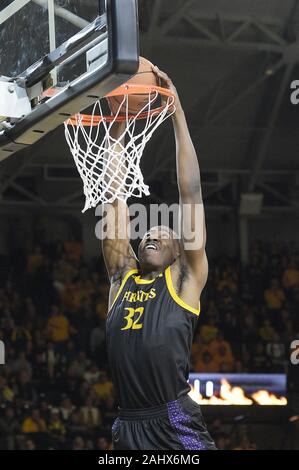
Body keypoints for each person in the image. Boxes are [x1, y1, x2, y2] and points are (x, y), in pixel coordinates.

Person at [103, 66, 216, 450]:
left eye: (163, 235)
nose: (151, 234)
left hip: (172, 419)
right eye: (147, 234)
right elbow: (114, 200)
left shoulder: (185, 279)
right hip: (127, 423)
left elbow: (192, 193)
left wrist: (178, 115)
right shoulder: (122, 276)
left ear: (179, 251)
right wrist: (116, 136)